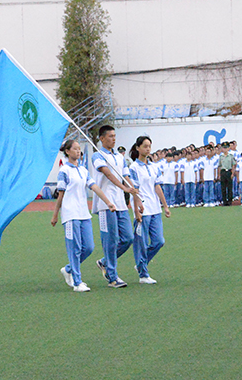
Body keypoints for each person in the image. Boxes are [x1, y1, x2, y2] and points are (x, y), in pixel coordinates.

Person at [52, 140, 116, 292]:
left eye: (79, 149)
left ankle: (68, 269)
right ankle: (77, 282)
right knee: (74, 248)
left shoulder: (83, 170)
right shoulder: (64, 171)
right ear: (67, 151)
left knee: (88, 247)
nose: (78, 151)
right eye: (75, 149)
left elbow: (94, 187)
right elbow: (61, 195)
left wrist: (108, 202)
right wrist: (55, 215)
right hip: (70, 214)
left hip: (83, 213)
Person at [92, 125, 139, 288]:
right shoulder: (97, 156)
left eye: (114, 136)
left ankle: (104, 262)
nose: (113, 139)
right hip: (106, 203)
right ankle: (112, 277)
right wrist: (124, 188)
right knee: (110, 240)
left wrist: (133, 190)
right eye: (110, 136)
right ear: (102, 138)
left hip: (120, 203)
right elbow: (108, 174)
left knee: (128, 238)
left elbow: (125, 176)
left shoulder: (120, 157)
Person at [129, 136, 171, 284]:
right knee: (141, 243)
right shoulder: (133, 168)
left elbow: (157, 186)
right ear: (138, 148)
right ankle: (143, 275)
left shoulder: (154, 166)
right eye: (145, 146)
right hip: (143, 209)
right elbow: (134, 190)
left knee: (159, 241)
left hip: (155, 208)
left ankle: (141, 264)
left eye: (149, 146)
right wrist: (136, 210)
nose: (147, 149)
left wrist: (165, 205)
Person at [219, 142, 236, 206]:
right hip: (223, 172)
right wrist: (219, 175)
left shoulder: (231, 156)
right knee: (223, 188)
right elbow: (219, 166)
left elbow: (233, 165)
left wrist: (232, 173)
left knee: (229, 188)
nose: (225, 149)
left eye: (226, 148)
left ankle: (229, 201)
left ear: (228, 148)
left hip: (229, 171)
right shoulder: (221, 156)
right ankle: (224, 201)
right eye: (224, 148)